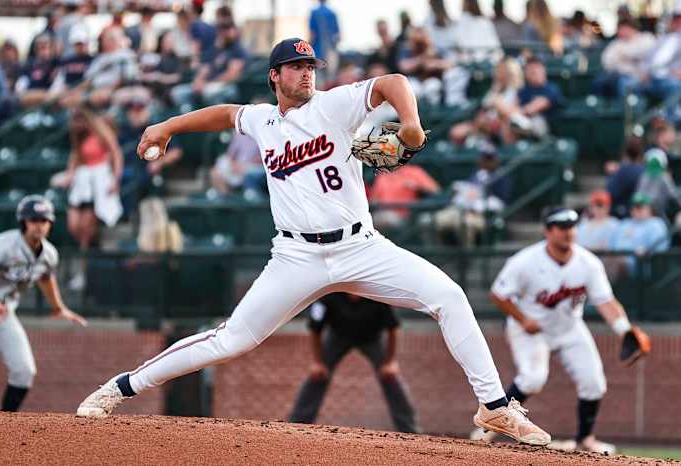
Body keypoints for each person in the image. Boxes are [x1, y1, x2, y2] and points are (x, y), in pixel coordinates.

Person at [76, 37, 551, 447]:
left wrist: (409, 121)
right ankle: (121, 387)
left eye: (310, 67)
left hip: (361, 247)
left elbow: (393, 83)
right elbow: (224, 114)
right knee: (231, 339)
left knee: (449, 295)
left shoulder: (334, 104)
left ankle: (494, 405)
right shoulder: (262, 120)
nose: (307, 74)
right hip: (295, 256)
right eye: (297, 67)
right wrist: (167, 126)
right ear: (275, 76)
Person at [472, 207, 641, 454]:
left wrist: (624, 330)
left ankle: (585, 439)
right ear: (548, 231)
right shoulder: (525, 261)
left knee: (594, 382)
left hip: (570, 327)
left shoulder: (588, 263)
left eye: (572, 226)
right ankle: (490, 426)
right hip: (532, 328)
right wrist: (522, 318)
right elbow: (498, 294)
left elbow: (606, 301)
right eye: (562, 227)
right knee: (532, 379)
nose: (568, 232)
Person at [0, 195, 87, 412]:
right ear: (23, 222)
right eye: (34, 220)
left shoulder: (49, 254)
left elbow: (46, 277)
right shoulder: (2, 246)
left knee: (24, 371)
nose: (39, 225)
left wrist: (59, 308)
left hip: (3, 312)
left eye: (44, 220)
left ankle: (3, 423)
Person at [288, 293, 420, 433]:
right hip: (338, 337)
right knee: (317, 375)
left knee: (390, 377)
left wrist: (389, 362)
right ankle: (296, 426)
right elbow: (315, 329)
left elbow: (392, 328)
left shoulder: (376, 295)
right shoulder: (329, 295)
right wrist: (318, 362)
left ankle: (411, 431)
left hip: (372, 338)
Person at [61, 108, 124, 289]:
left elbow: (116, 153)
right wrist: (69, 175)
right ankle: (92, 249)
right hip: (82, 182)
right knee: (74, 226)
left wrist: (116, 179)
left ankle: (84, 272)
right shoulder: (78, 137)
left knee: (85, 233)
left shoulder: (100, 130)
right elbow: (75, 157)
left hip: (98, 181)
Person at [434, 145, 510, 246]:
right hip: (463, 209)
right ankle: (441, 253)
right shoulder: (476, 174)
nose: (487, 162)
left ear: (496, 160)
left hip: (482, 215)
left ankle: (467, 258)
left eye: (490, 159)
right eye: (484, 158)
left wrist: (476, 206)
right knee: (436, 220)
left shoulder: (501, 176)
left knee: (464, 224)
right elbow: (468, 191)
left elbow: (500, 202)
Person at [171, 21, 247, 108]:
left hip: (227, 86)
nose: (224, 33)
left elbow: (231, 75)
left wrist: (208, 83)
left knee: (209, 93)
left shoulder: (237, 50)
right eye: (222, 30)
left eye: (227, 30)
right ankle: (190, 116)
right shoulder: (215, 49)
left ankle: (217, 119)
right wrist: (198, 81)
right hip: (208, 85)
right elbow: (205, 68)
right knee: (178, 93)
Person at [450, 57, 523, 145]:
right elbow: (483, 111)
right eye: (498, 69)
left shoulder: (517, 90)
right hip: (486, 125)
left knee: (504, 124)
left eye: (502, 69)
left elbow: (512, 112)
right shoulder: (493, 89)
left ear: (510, 72)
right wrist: (481, 120)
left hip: (505, 125)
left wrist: (497, 110)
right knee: (456, 132)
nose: (499, 73)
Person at [608, 193, 669, 278]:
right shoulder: (624, 223)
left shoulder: (656, 223)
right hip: (616, 260)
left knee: (611, 264)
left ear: (649, 208)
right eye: (633, 207)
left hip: (640, 265)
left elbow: (660, 247)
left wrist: (648, 250)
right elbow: (612, 246)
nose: (635, 210)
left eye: (639, 207)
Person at [506, 57, 564, 141]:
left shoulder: (550, 88)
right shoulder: (524, 90)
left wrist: (516, 113)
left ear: (542, 70)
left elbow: (532, 108)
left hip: (547, 126)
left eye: (535, 70)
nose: (533, 73)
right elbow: (513, 106)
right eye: (529, 70)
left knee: (534, 119)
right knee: (507, 122)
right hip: (523, 121)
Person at [595, 18, 656, 98]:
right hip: (618, 74)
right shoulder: (616, 43)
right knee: (600, 81)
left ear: (631, 28)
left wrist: (625, 56)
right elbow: (606, 61)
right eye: (619, 29)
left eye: (623, 29)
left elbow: (645, 53)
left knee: (625, 83)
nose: (620, 32)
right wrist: (625, 58)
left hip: (642, 76)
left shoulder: (646, 38)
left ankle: (629, 109)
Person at [369, 164, 440, 230]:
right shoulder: (383, 174)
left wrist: (417, 186)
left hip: (408, 215)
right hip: (384, 212)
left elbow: (435, 190)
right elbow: (373, 200)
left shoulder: (414, 171)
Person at [606, 136, 645, 218]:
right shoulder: (643, 170)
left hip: (622, 213)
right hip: (638, 213)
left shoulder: (621, 170)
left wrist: (611, 174)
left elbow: (610, 193)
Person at [309, 0, 340, 75]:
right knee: (330, 74)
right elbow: (338, 35)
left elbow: (312, 33)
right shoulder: (332, 12)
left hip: (317, 48)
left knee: (318, 73)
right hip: (330, 49)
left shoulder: (314, 12)